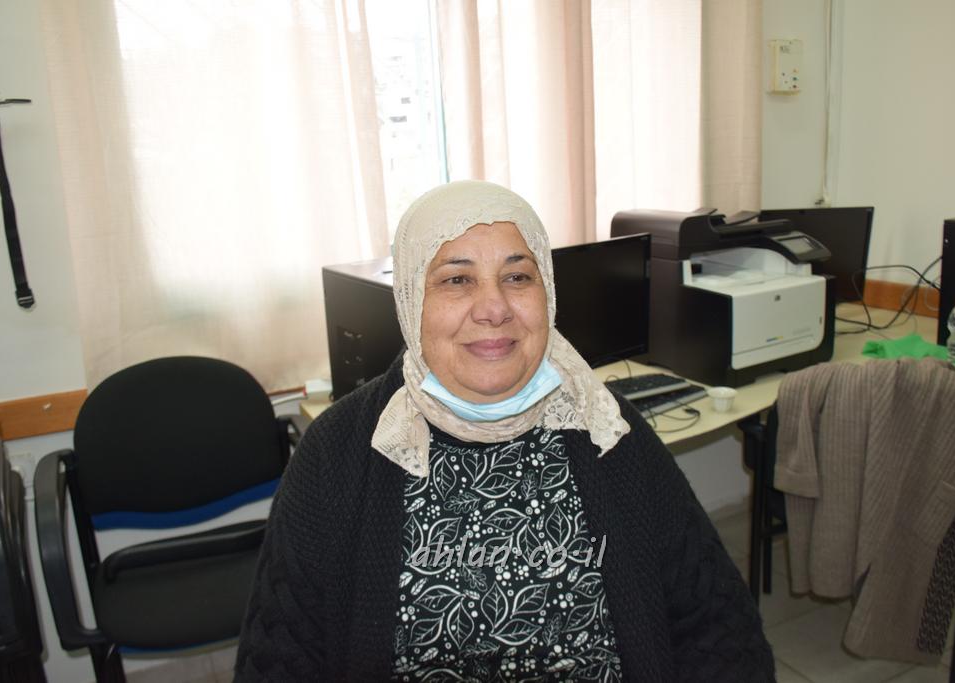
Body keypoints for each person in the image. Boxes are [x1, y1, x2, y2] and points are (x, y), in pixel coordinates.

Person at [235, 180, 774, 681]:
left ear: (548, 293)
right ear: (410, 301)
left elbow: (717, 626)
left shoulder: (605, 427)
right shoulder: (337, 451)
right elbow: (280, 660)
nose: (494, 308)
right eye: (456, 279)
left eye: (517, 277)